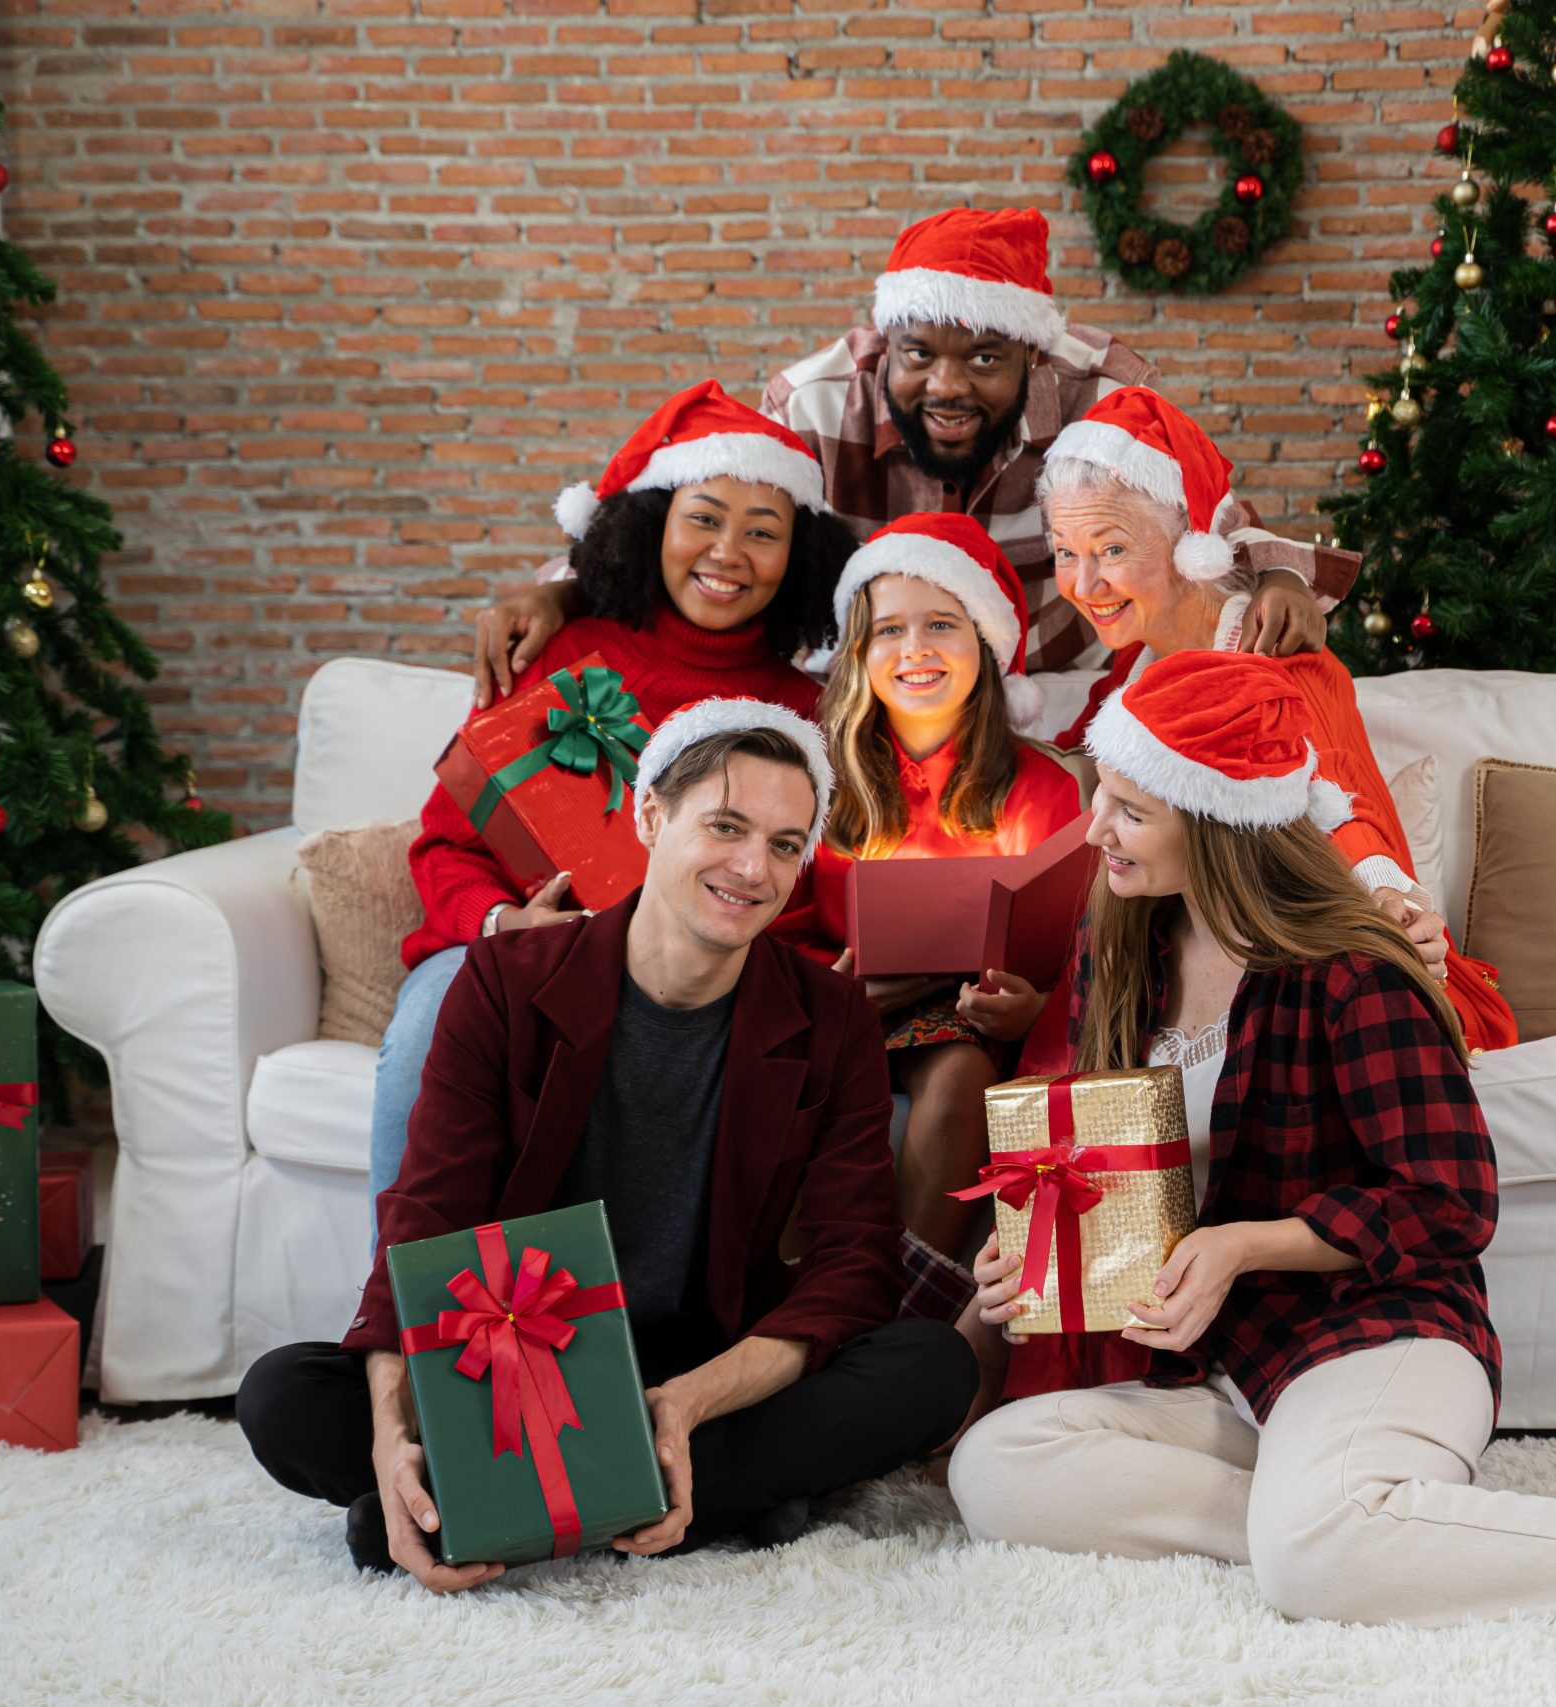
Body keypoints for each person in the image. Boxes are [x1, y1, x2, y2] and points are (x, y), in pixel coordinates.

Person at [944, 652, 1556, 1625]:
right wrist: (1039, 1254)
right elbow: (1127, 1170)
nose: (1093, 829)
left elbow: (1452, 1201)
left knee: (1312, 1568)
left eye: (1129, 811)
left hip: (1378, 1332)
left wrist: (1243, 1245)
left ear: (1217, 822)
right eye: (1100, 796)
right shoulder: (1129, 951)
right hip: (1236, 1364)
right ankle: (1360, 1524)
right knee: (999, 1469)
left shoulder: (1355, 971)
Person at [242, 702, 980, 1589]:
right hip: (521, 1368)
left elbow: (852, 1267)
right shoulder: (507, 984)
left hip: (711, 1373)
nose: (753, 867)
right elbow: (427, 1215)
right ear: (649, 816)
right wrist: (392, 1432)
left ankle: (507, 1508)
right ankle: (712, 1499)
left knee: (933, 1366)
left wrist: (685, 1402)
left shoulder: (830, 1019)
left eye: (786, 845)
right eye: (725, 825)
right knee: (283, 1397)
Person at [467, 207, 1358, 703]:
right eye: (918, 354)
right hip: (871, 703)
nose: (946, 387)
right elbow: (688, 531)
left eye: (984, 359)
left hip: (1054, 693)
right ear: (882, 341)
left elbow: (1204, 521)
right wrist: (560, 587)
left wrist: (1278, 578)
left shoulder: (1098, 395)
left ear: (1032, 355)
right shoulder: (815, 404)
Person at [367, 382, 859, 1237]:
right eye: (704, 518)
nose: (729, 552)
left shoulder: (807, 713)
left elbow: (807, 897)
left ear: (800, 555)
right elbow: (446, 846)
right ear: (654, 525)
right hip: (526, 960)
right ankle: (399, 1329)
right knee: (436, 1009)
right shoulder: (559, 654)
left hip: (702, 988)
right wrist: (498, 925)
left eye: (763, 532)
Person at [1031, 384, 1517, 1060]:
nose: (1083, 584)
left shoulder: (1280, 658)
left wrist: (1387, 902)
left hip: (1281, 966)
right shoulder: (1136, 669)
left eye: (1111, 549)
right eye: (1064, 551)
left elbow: (1339, 799)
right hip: (1168, 969)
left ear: (1189, 544)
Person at [795, 512, 1080, 1309]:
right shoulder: (817, 781)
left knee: (958, 1076)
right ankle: (779, 1301)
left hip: (965, 1019)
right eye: (889, 629)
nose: (914, 649)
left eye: (941, 625)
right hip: (833, 1003)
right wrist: (830, 989)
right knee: (778, 1071)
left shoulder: (1043, 788)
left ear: (984, 646)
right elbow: (769, 926)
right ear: (858, 651)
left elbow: (1074, 941)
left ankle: (901, 1309)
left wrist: (1030, 1010)